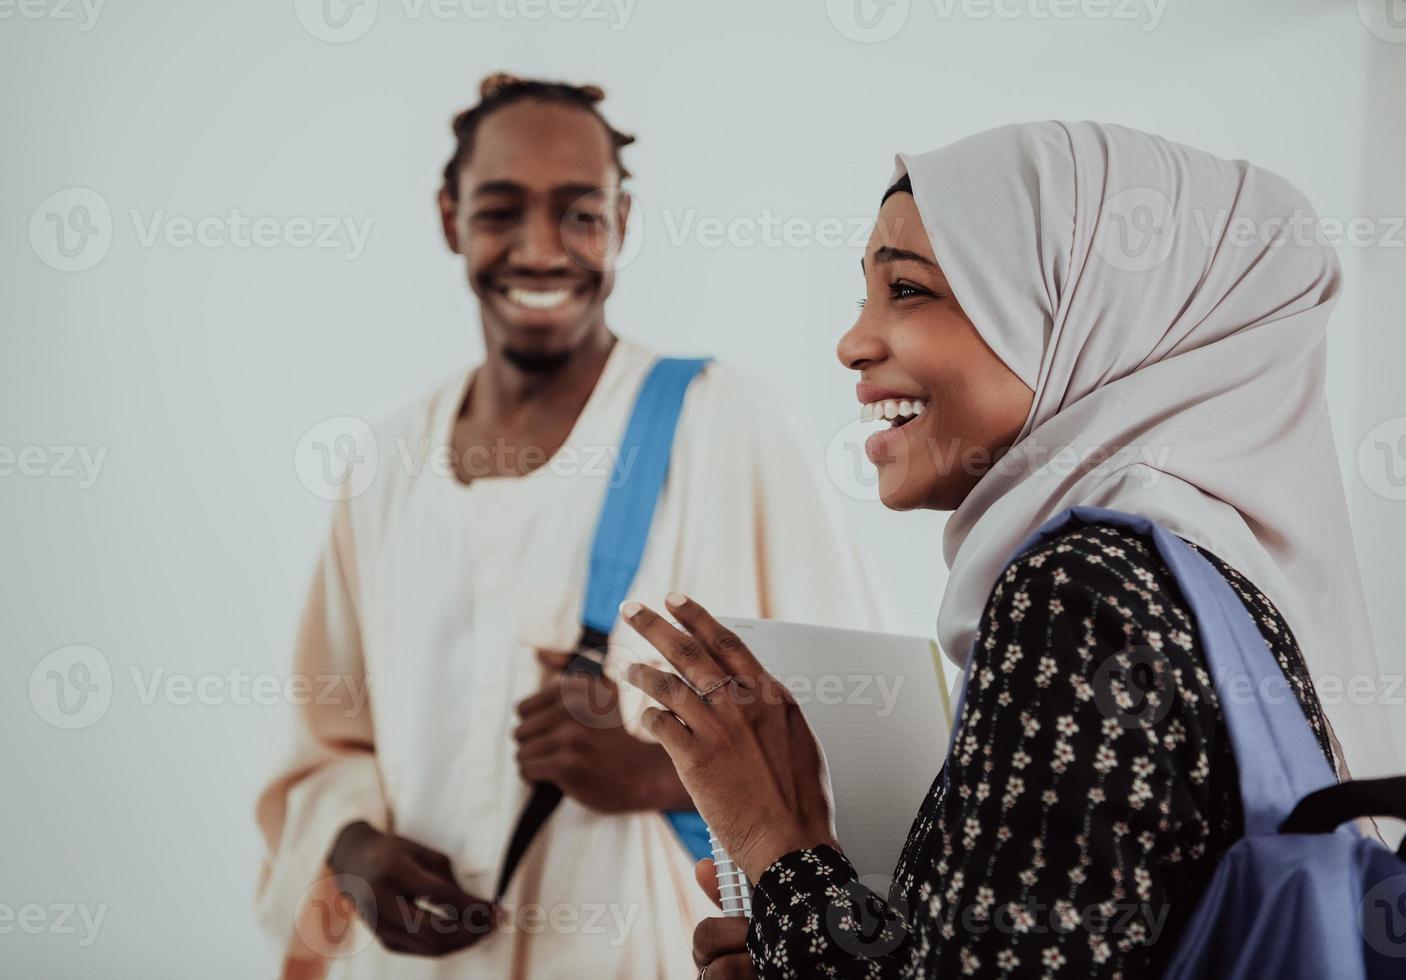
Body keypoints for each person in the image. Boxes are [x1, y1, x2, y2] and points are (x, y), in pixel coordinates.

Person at [615, 121, 1400, 978]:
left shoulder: (1081, 590)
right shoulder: (1222, 594)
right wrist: (796, 941)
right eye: (864, 295)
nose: (853, 342)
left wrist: (780, 849)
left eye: (908, 291)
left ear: (1087, 309)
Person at [253, 74, 881, 979]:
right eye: (501, 210)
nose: (540, 250)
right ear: (448, 217)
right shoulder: (383, 466)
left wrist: (660, 769)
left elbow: (861, 731)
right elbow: (326, 743)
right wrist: (351, 851)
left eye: (580, 214)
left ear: (622, 219)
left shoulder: (727, 424)